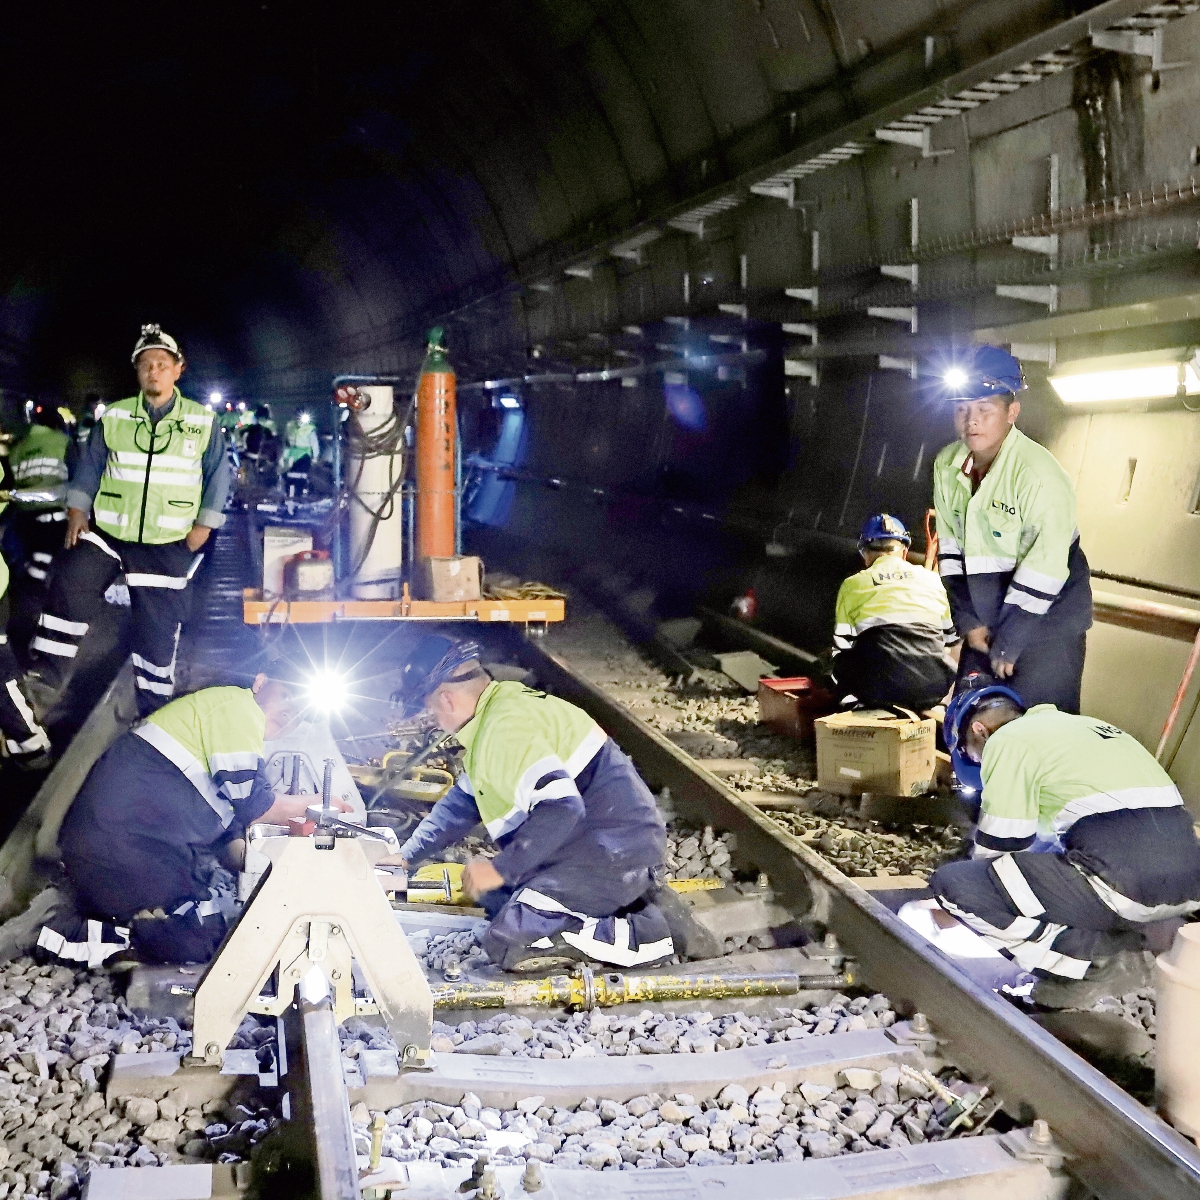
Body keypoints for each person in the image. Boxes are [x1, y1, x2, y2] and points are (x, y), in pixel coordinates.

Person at [393, 636, 715, 971]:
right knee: (493, 896)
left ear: (446, 699)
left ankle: (656, 934)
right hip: (592, 846)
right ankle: (636, 902)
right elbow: (461, 804)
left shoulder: (503, 730)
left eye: (429, 710)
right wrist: (405, 856)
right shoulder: (497, 712)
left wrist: (499, 868)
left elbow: (562, 807)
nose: (433, 720)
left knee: (512, 942)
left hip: (610, 853)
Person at [36, 675, 351, 966]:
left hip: (129, 849)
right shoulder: (238, 709)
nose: (292, 710)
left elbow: (228, 834)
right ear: (260, 682)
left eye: (301, 710)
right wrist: (323, 805)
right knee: (195, 942)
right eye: (288, 694)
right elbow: (258, 807)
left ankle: (127, 922)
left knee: (211, 931)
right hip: (118, 852)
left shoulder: (225, 726)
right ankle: (60, 936)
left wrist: (262, 861)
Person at [930, 685, 1200, 1002]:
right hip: (1188, 889)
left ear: (978, 731)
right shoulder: (1086, 728)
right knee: (1057, 872)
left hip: (1124, 890)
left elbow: (998, 852)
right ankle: (1141, 942)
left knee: (954, 884)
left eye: (970, 755)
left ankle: (1096, 966)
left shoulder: (1006, 739)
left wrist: (958, 908)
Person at [28, 324, 231, 717]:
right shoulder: (116, 417)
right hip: (110, 532)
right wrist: (77, 508)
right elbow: (90, 466)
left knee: (157, 633)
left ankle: (154, 714)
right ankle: (40, 689)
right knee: (70, 582)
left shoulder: (202, 422)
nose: (153, 371)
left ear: (177, 369)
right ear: (137, 372)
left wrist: (203, 526)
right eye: (146, 365)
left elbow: (218, 475)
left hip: (167, 540)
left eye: (161, 364)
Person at [933, 345, 1092, 713]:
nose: (971, 420)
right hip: (984, 626)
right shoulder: (947, 467)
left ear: (1012, 412)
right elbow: (951, 554)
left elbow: (1046, 569)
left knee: (1042, 731)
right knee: (971, 722)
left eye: (984, 410)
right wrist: (969, 623)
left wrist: (1010, 643)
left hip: (1046, 624)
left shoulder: (1039, 476)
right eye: (962, 409)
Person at [830, 513, 957, 711]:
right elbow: (950, 640)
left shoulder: (852, 584)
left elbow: (842, 645)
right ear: (905, 551)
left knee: (837, 662)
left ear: (865, 554)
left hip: (878, 691)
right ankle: (940, 706)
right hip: (932, 690)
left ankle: (855, 706)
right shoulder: (933, 580)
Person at [6, 404, 74, 592]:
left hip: (23, 515)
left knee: (31, 555)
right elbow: (77, 476)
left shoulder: (17, 448)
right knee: (50, 556)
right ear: (56, 425)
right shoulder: (62, 441)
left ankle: (24, 583)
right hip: (54, 513)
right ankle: (35, 594)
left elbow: (11, 482)